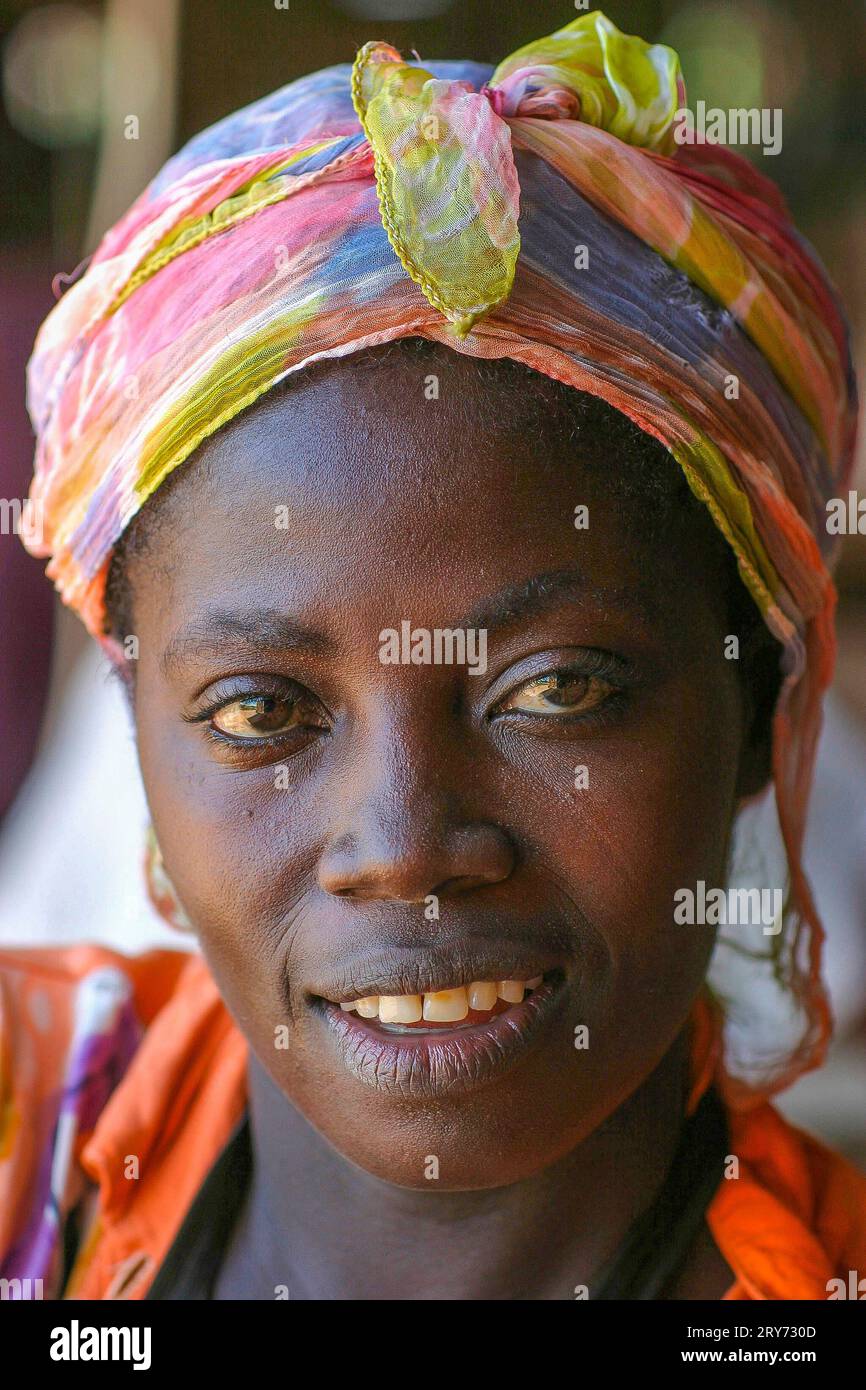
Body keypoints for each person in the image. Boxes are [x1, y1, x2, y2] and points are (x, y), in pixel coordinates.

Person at [2, 11, 864, 1300]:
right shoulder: (28, 1129)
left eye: (557, 689)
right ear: (134, 731)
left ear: (758, 707)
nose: (405, 844)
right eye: (258, 711)